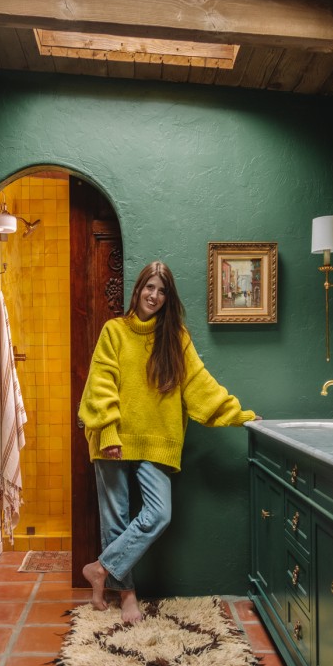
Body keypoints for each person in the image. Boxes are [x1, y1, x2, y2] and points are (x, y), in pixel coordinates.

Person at [78, 260, 257, 624]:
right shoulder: (115, 331)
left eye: (161, 291)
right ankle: (127, 598)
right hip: (112, 435)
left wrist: (242, 415)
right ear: (138, 289)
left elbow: (201, 386)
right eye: (149, 287)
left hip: (156, 438)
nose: (154, 296)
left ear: (168, 297)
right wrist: (110, 432)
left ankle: (100, 569)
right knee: (116, 518)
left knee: (158, 513)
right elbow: (101, 383)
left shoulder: (175, 337)